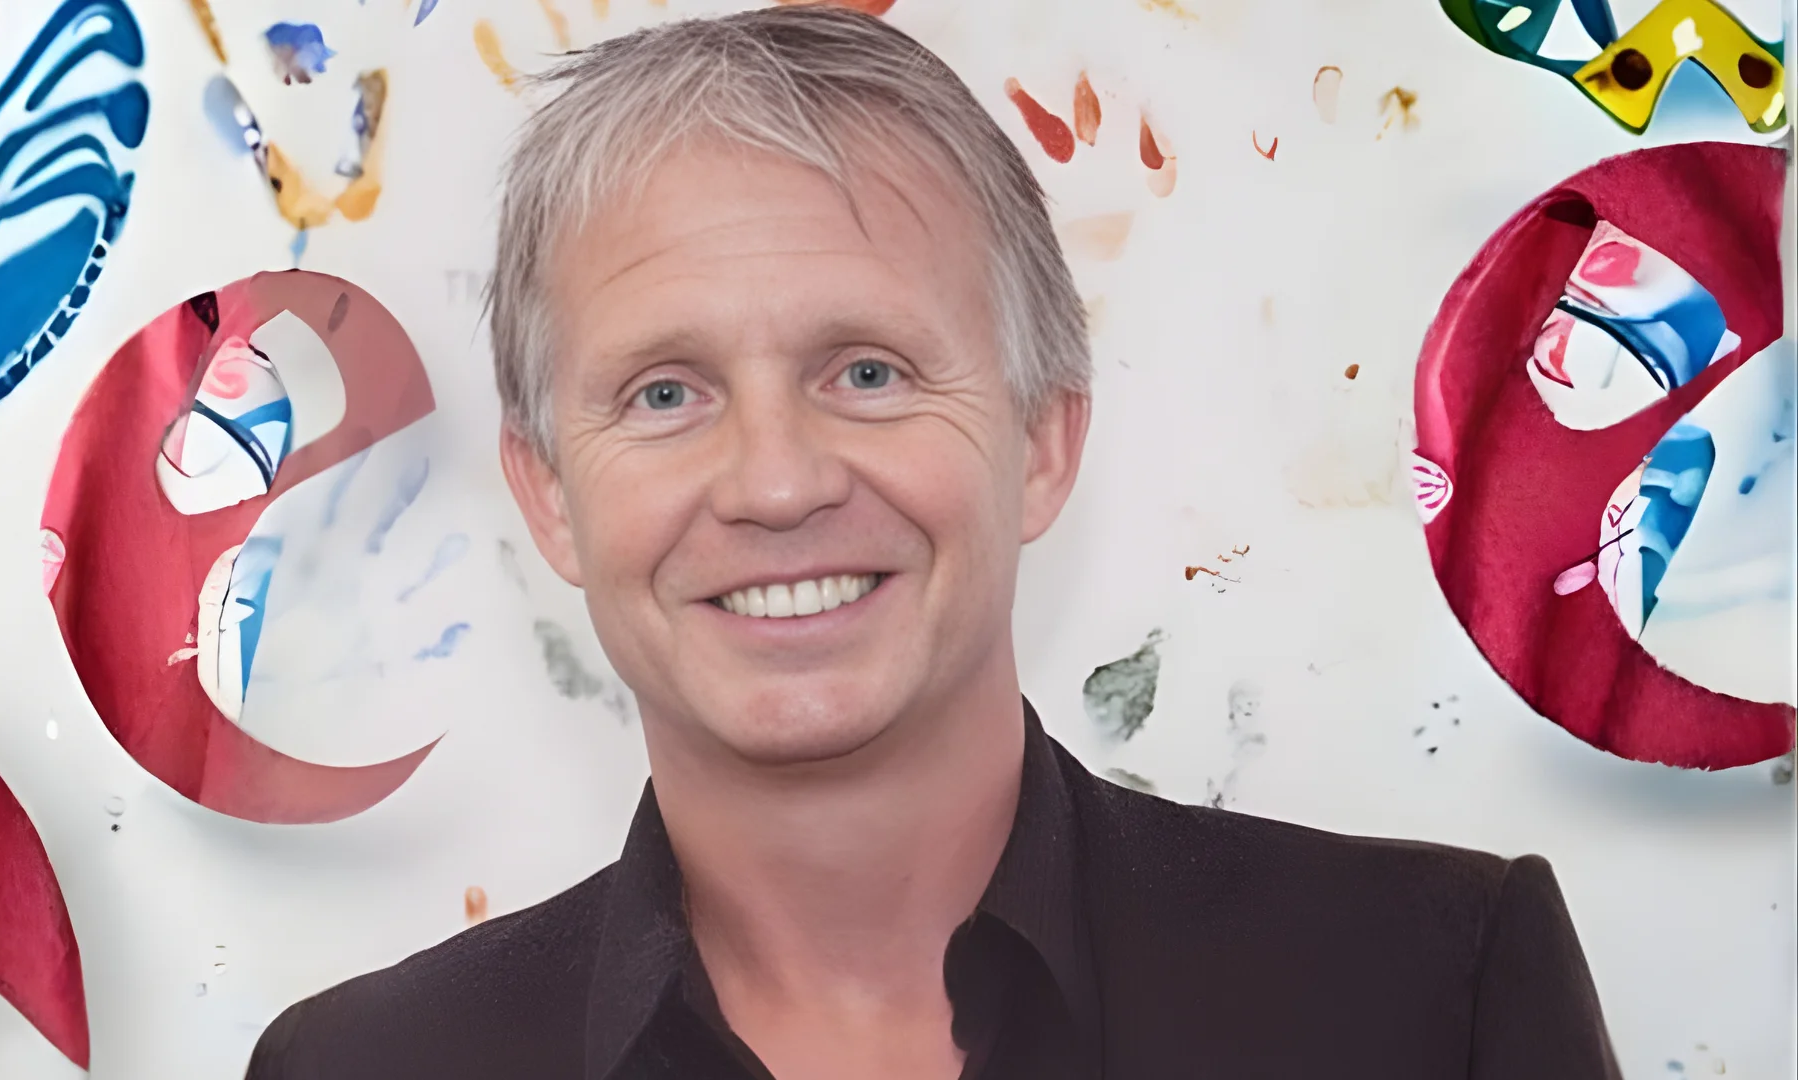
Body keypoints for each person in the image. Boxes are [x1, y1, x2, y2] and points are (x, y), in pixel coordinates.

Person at [246, 6, 1622, 1078]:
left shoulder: (1429, 995)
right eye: (665, 395)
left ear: (1043, 440)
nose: (776, 483)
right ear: (548, 492)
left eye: (869, 372)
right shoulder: (361, 1069)